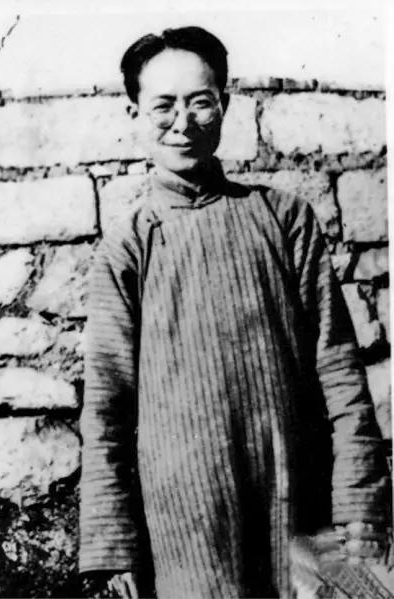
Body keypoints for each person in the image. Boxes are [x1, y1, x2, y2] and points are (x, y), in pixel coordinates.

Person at [79, 26, 390, 599]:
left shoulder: (285, 219)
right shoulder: (128, 247)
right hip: (186, 527)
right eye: (163, 106)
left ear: (224, 103)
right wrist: (114, 542)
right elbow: (107, 407)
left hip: (301, 510)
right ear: (134, 114)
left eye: (201, 101)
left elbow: (340, 371)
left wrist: (359, 505)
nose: (183, 122)